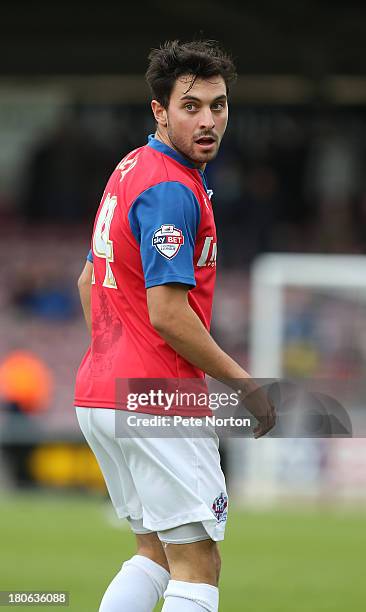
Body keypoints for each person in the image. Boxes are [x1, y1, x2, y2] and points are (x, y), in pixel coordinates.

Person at [74, 40, 276, 612]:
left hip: (101, 394)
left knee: (153, 554)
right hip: (157, 397)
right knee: (198, 563)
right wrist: (246, 385)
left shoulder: (130, 168)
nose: (209, 120)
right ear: (159, 110)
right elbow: (167, 314)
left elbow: (89, 282)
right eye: (191, 106)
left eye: (219, 105)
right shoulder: (171, 189)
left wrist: (117, 360)